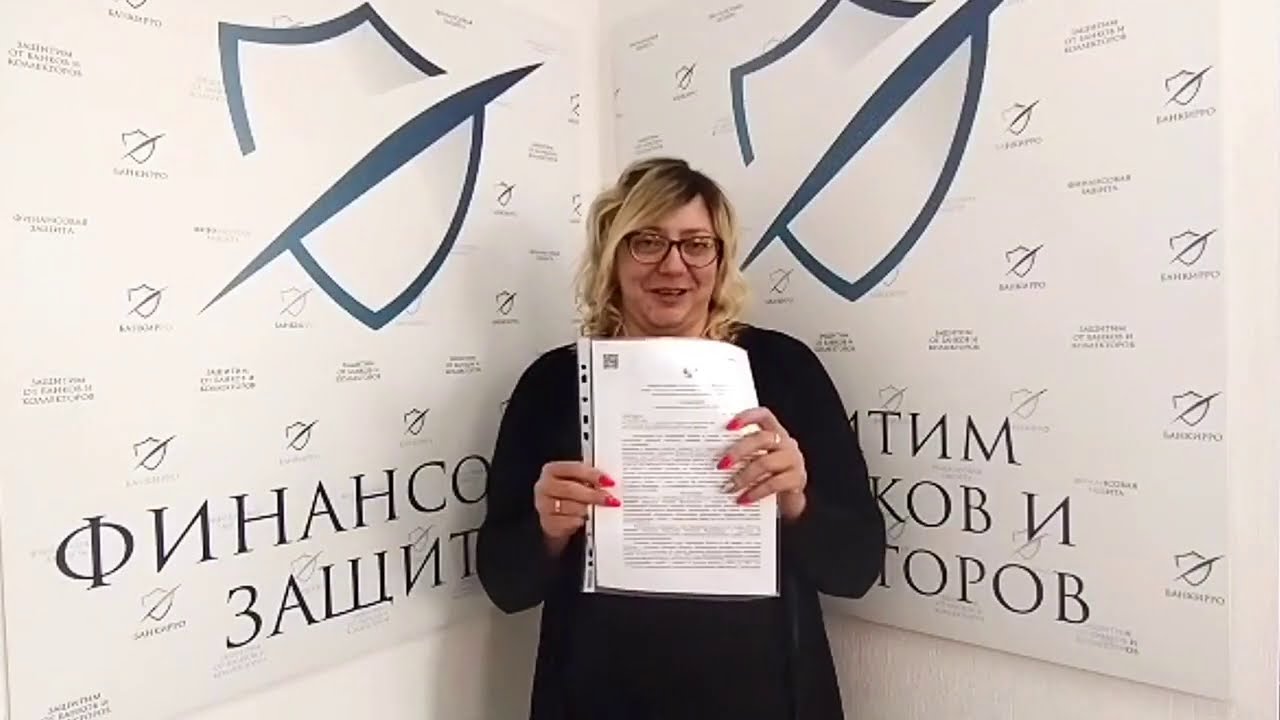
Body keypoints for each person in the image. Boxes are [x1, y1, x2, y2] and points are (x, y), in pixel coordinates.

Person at [476, 157, 886, 720]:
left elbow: (856, 568)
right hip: (597, 696)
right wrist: (546, 530)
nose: (673, 265)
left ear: (720, 259)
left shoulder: (785, 369)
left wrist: (796, 503)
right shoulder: (552, 384)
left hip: (764, 693)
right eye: (647, 242)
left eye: (696, 245)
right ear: (613, 255)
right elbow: (504, 583)